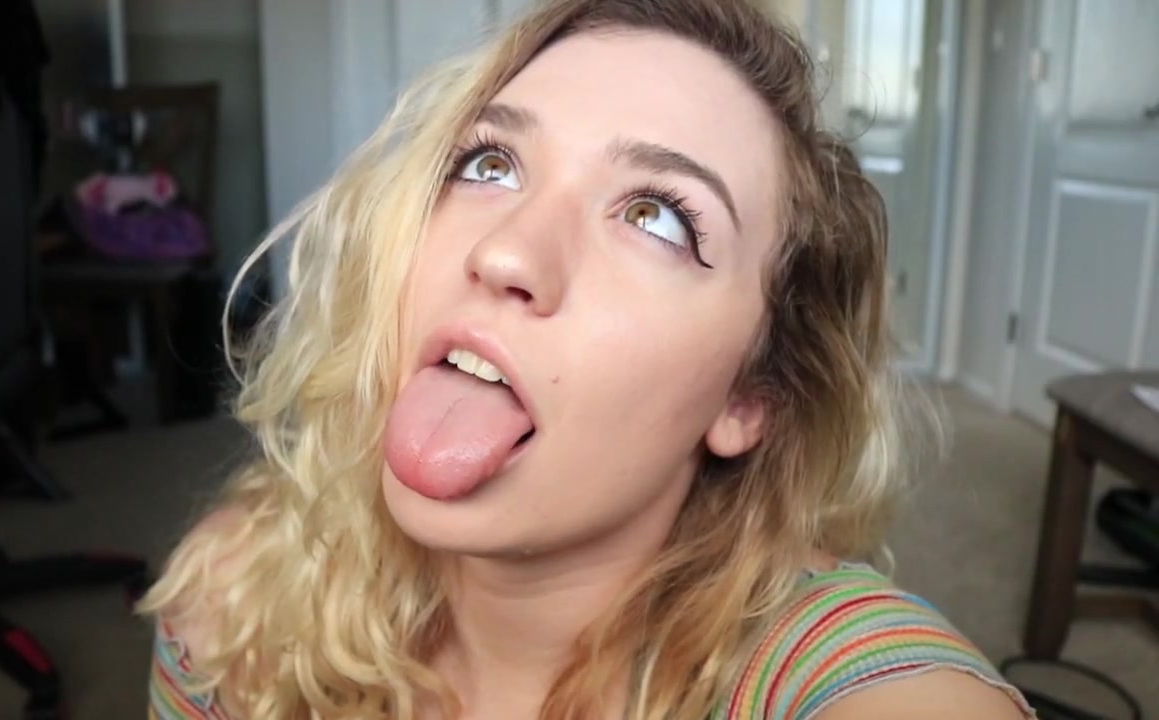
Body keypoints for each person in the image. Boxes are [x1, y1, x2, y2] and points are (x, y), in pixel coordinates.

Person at [139, 0, 1036, 718]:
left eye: (657, 217)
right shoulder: (233, 605)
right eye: (489, 163)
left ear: (748, 397)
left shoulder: (836, 677)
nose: (506, 252)